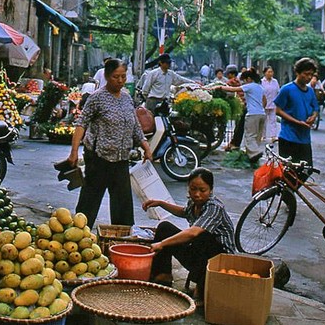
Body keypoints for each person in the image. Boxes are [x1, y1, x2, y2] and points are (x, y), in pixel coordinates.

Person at [68, 59, 152, 228]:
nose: (120, 81)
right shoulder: (97, 98)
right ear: (106, 76)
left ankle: (122, 240)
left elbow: (135, 125)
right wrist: (74, 152)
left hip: (121, 160)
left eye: (123, 76)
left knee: (123, 206)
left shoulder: (127, 98)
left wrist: (146, 146)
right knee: (88, 204)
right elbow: (81, 124)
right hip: (99, 159)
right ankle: (78, 235)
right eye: (115, 77)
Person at [143, 168, 235, 302]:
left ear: (211, 190)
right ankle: (163, 274)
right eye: (193, 189)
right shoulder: (194, 202)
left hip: (219, 260)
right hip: (199, 254)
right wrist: (161, 203)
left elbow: (193, 232)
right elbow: (184, 212)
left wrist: (161, 244)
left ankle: (202, 288)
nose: (197, 194)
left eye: (202, 190)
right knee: (165, 227)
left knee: (201, 236)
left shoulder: (214, 207)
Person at [212, 68, 266, 163]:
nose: (244, 82)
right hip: (262, 114)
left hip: (252, 114)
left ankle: (254, 153)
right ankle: (253, 154)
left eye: (245, 80)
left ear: (249, 79)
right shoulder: (260, 87)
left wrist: (220, 87)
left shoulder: (250, 86)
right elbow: (264, 100)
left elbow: (233, 89)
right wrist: (261, 108)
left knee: (250, 135)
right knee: (257, 135)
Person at [274, 57, 320, 166]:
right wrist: (296, 122)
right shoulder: (287, 89)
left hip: (304, 138)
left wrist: (313, 116)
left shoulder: (310, 91)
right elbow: (278, 110)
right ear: (297, 72)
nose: (308, 77)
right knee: (289, 171)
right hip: (288, 136)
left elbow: (315, 108)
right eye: (306, 73)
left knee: (306, 169)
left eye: (311, 75)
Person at [224, 65, 246, 151]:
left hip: (240, 105)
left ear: (231, 74)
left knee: (238, 127)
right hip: (242, 105)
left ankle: (234, 144)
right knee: (238, 126)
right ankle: (233, 143)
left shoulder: (232, 82)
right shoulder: (237, 80)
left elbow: (228, 91)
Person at [260, 66, 280, 141]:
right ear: (265, 73)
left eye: (271, 72)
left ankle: (273, 136)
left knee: (273, 120)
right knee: (263, 121)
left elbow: (278, 92)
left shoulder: (275, 81)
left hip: (273, 103)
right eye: (269, 72)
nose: (270, 73)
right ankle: (262, 135)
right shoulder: (262, 82)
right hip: (264, 104)